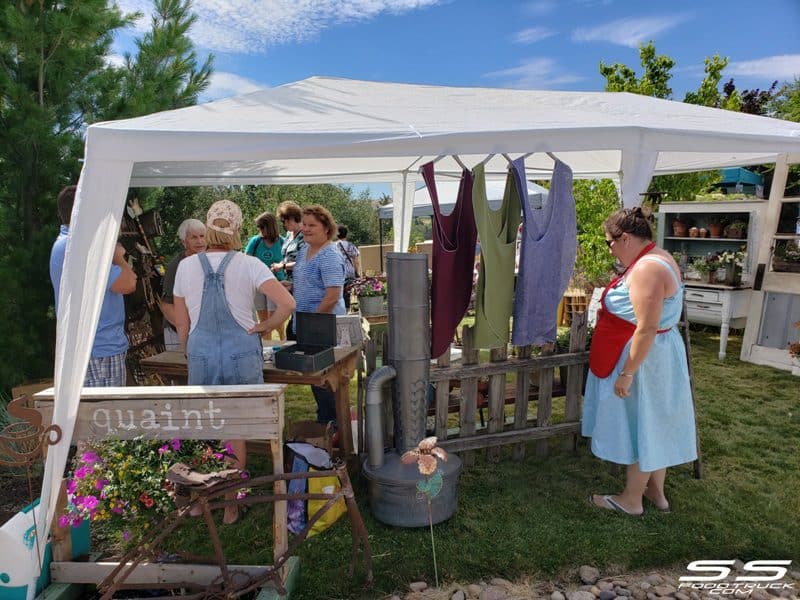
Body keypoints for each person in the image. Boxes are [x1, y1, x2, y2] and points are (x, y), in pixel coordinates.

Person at [173, 199, 295, 524]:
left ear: (208, 227)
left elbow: (182, 324)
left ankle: (201, 499)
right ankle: (231, 504)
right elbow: (287, 302)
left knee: (204, 424)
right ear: (237, 229)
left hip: (201, 351)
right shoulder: (248, 263)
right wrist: (266, 327)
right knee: (236, 427)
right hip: (241, 351)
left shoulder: (186, 267)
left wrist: (190, 350)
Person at [582, 207, 697, 516]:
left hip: (645, 360)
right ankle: (655, 492)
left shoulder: (648, 268)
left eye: (610, 242)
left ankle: (631, 500)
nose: (610, 249)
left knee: (643, 424)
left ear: (627, 238)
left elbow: (646, 327)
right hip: (656, 354)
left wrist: (627, 373)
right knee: (655, 421)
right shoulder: (657, 257)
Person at [50, 185, 137, 386]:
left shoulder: (65, 243)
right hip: (101, 348)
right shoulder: (81, 247)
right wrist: (118, 257)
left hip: (88, 347)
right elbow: (128, 283)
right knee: (107, 415)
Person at [289, 205, 346, 424]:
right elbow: (307, 282)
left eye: (312, 225)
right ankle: (326, 423)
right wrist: (290, 286)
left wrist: (312, 324)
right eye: (304, 224)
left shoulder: (329, 255)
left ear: (326, 228)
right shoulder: (305, 250)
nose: (306, 229)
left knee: (325, 380)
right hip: (305, 325)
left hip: (322, 329)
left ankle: (332, 425)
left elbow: (332, 296)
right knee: (315, 380)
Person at [160, 219, 207, 350]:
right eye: (194, 237)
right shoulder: (176, 266)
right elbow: (167, 306)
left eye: (202, 236)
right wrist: (186, 330)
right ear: (183, 242)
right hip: (177, 332)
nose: (200, 241)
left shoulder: (209, 261)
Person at [245, 211, 286, 339]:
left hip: (276, 283)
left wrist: (279, 266)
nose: (260, 230)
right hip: (258, 285)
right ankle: (266, 347)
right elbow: (246, 260)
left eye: (262, 227)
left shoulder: (282, 242)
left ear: (270, 226)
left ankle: (282, 339)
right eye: (259, 227)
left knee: (275, 319)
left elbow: (287, 260)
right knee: (263, 321)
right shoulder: (255, 241)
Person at [273, 200, 305, 339]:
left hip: (301, 282)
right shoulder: (288, 235)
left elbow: (304, 261)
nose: (283, 224)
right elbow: (287, 256)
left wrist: (283, 266)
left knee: (297, 319)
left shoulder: (304, 235)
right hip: (289, 282)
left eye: (284, 221)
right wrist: (280, 264)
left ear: (293, 218)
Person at [335, 224, 361, 311]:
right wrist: (357, 272)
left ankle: (343, 311)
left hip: (338, 273)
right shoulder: (351, 245)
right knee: (350, 293)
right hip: (350, 273)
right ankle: (349, 310)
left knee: (340, 295)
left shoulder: (333, 246)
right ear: (346, 234)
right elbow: (356, 261)